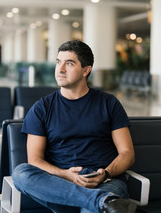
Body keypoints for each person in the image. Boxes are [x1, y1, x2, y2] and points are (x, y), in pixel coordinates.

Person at [12, 40, 138, 213]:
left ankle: (97, 200)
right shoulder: (42, 108)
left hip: (105, 181)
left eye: (69, 63)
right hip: (60, 183)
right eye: (58, 62)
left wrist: (106, 173)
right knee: (21, 173)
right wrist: (65, 174)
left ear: (86, 70)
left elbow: (127, 154)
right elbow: (34, 160)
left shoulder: (108, 103)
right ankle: (102, 201)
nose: (60, 69)